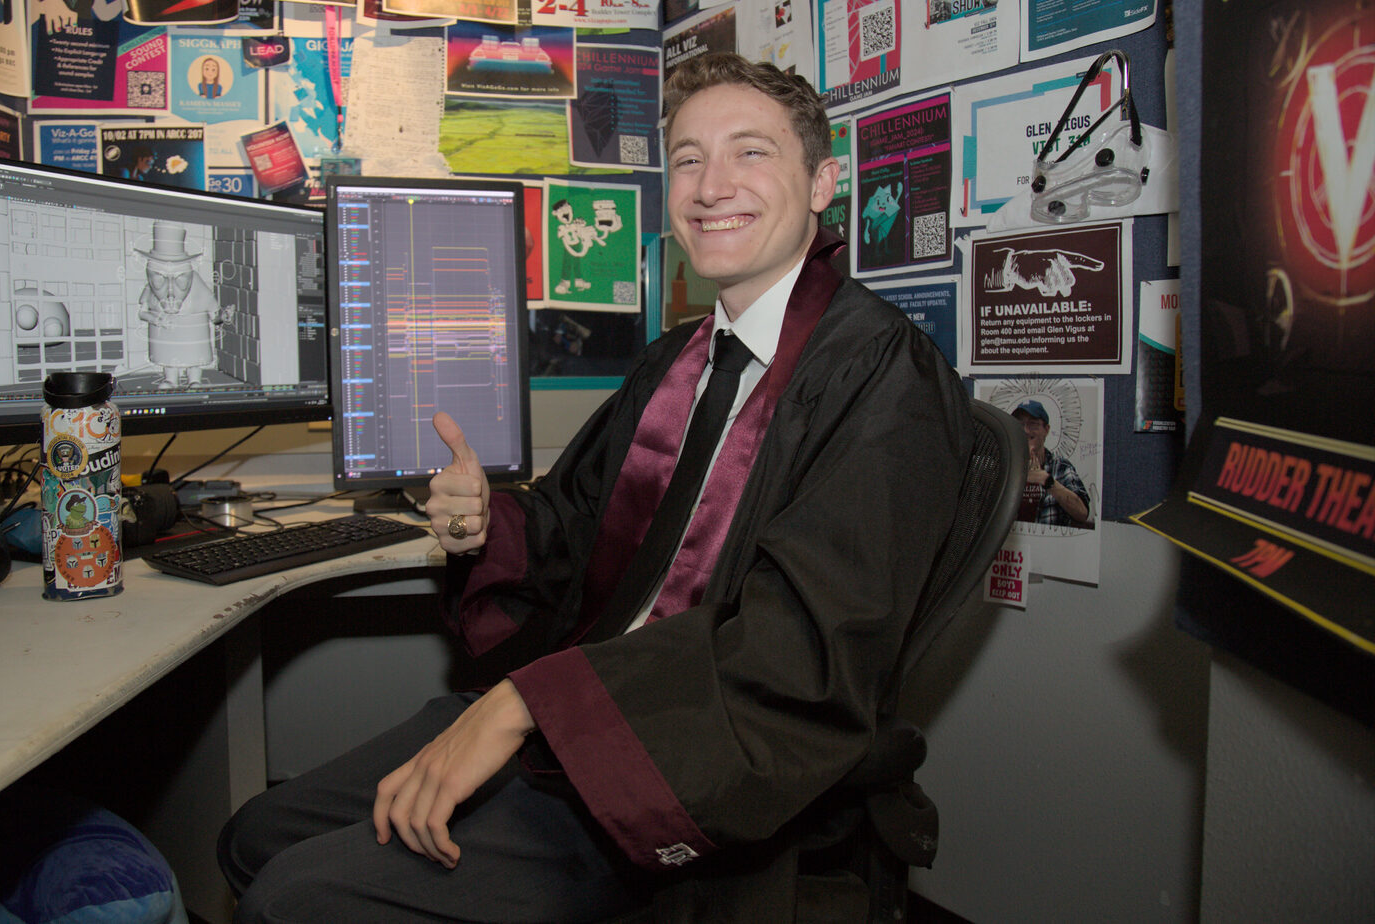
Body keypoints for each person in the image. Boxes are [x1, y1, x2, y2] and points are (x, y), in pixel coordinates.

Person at [218, 52, 972, 922]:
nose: (711, 184)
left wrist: (526, 705)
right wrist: (484, 525)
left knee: (290, 899)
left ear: (822, 183)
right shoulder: (675, 365)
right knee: (257, 833)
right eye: (688, 158)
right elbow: (573, 526)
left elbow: (800, 655)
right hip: (568, 715)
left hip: (680, 759)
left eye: (751, 152)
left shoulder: (884, 378)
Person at [1012, 399, 1092, 526]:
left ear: (1046, 429)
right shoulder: (1004, 466)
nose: (1026, 430)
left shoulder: (1061, 467)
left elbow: (1082, 514)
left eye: (1033, 424)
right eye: (1020, 424)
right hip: (1010, 545)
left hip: (1049, 544)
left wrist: (1047, 481)